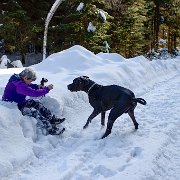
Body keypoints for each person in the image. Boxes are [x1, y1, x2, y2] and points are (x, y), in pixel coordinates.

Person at [2, 68, 65, 135]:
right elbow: (34, 93)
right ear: (26, 78)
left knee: (36, 104)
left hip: (19, 102)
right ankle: (51, 130)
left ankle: (52, 119)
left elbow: (27, 85)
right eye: (31, 80)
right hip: (13, 107)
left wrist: (37, 86)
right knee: (35, 113)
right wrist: (47, 89)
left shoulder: (18, 79)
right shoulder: (19, 85)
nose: (31, 82)